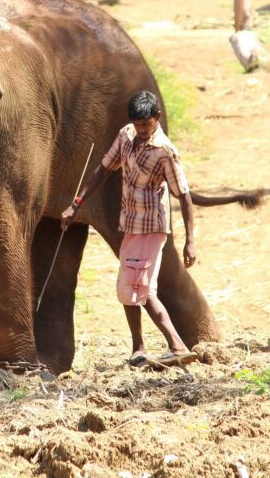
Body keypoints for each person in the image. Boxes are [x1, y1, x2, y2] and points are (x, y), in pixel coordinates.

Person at [62, 90, 198, 367]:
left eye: (145, 125)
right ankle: (138, 348)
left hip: (152, 228)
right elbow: (103, 169)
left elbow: (183, 195)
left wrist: (190, 241)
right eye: (137, 124)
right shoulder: (126, 135)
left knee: (143, 290)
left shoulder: (164, 151)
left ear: (157, 118)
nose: (141, 130)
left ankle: (177, 345)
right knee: (128, 289)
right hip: (130, 225)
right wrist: (77, 204)